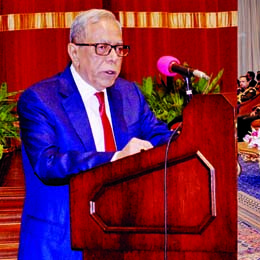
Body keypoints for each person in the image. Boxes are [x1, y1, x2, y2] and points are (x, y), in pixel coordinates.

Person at [16, 9, 173, 258]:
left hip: (123, 235)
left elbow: (160, 136)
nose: (113, 58)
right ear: (74, 52)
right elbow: (47, 164)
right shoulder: (40, 99)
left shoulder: (129, 94)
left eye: (119, 48)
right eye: (102, 47)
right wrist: (114, 159)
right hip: (62, 242)